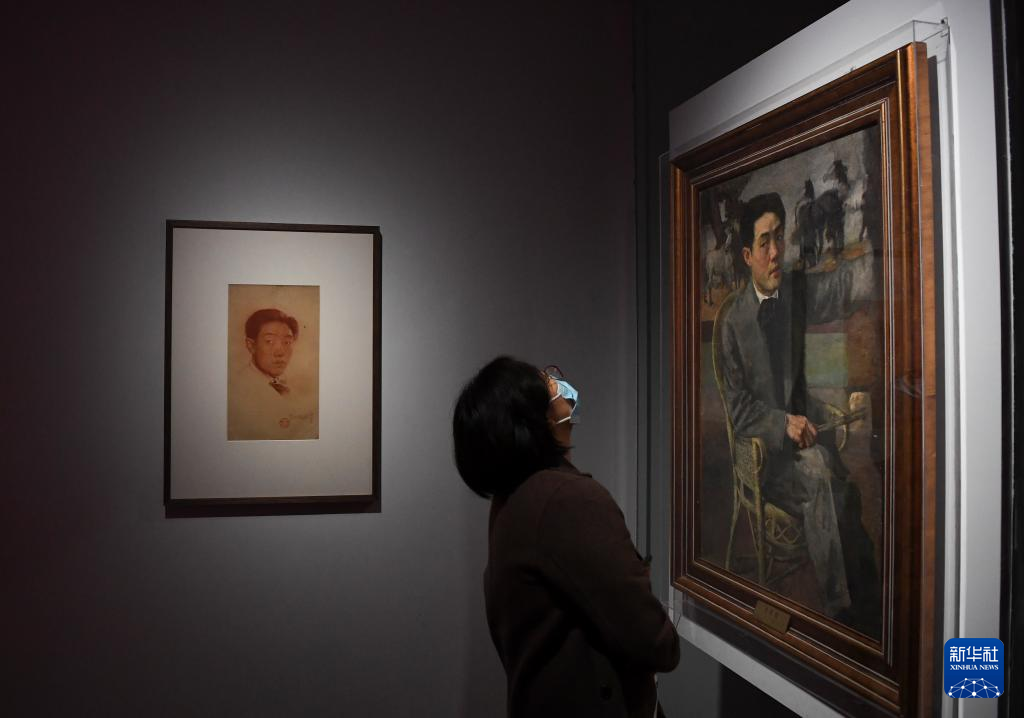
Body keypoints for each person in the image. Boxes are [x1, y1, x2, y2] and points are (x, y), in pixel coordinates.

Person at [453, 357, 679, 717]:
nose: (559, 386)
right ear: (534, 418)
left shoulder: (513, 499)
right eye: (547, 383)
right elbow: (653, 640)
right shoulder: (566, 499)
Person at [718, 192, 880, 635]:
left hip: (808, 439)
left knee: (844, 490)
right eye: (764, 243)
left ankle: (871, 600)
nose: (775, 252)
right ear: (747, 255)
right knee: (820, 474)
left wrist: (885, 259)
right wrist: (782, 424)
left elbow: (838, 286)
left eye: (779, 238)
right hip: (767, 458)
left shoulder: (792, 290)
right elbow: (739, 409)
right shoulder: (733, 324)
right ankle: (841, 613)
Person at [227, 308, 318, 440]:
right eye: (269, 341)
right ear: (251, 345)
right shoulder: (235, 391)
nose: (280, 352)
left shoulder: (289, 385)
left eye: (287, 342)